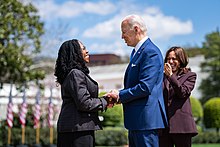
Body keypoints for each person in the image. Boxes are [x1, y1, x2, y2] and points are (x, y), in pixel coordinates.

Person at [106, 14, 167, 147]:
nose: (122, 36)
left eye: (124, 32)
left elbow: (145, 87)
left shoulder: (150, 52)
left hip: (145, 122)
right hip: (137, 121)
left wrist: (120, 95)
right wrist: (118, 95)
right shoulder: (137, 53)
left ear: (136, 29)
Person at [54, 39, 113, 147]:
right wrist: (105, 101)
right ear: (74, 53)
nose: (87, 51)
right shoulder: (75, 74)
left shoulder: (74, 73)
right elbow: (84, 103)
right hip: (77, 130)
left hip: (76, 129)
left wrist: (103, 100)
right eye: (83, 48)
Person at [159, 46, 198, 147]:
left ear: (181, 60)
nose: (170, 61)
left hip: (182, 127)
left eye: (174, 59)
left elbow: (182, 93)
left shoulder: (190, 76)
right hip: (164, 127)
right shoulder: (161, 77)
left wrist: (171, 76)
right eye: (168, 58)